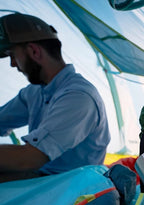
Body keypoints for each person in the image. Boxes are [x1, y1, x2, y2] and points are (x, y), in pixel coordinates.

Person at [0, 13, 110, 183]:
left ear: (34, 51)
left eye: (13, 55)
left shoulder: (78, 98)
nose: (13, 64)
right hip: (42, 181)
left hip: (71, 195)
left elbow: (29, 159)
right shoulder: (35, 92)